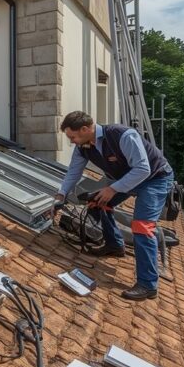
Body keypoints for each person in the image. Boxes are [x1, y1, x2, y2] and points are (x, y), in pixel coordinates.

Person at [55, 111, 174, 302]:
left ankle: (148, 285)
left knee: (142, 227)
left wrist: (112, 189)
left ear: (85, 129)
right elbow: (73, 172)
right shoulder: (83, 147)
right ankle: (114, 245)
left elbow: (143, 169)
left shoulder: (123, 135)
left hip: (154, 179)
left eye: (72, 137)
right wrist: (61, 194)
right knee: (97, 203)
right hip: (126, 179)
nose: (72, 141)